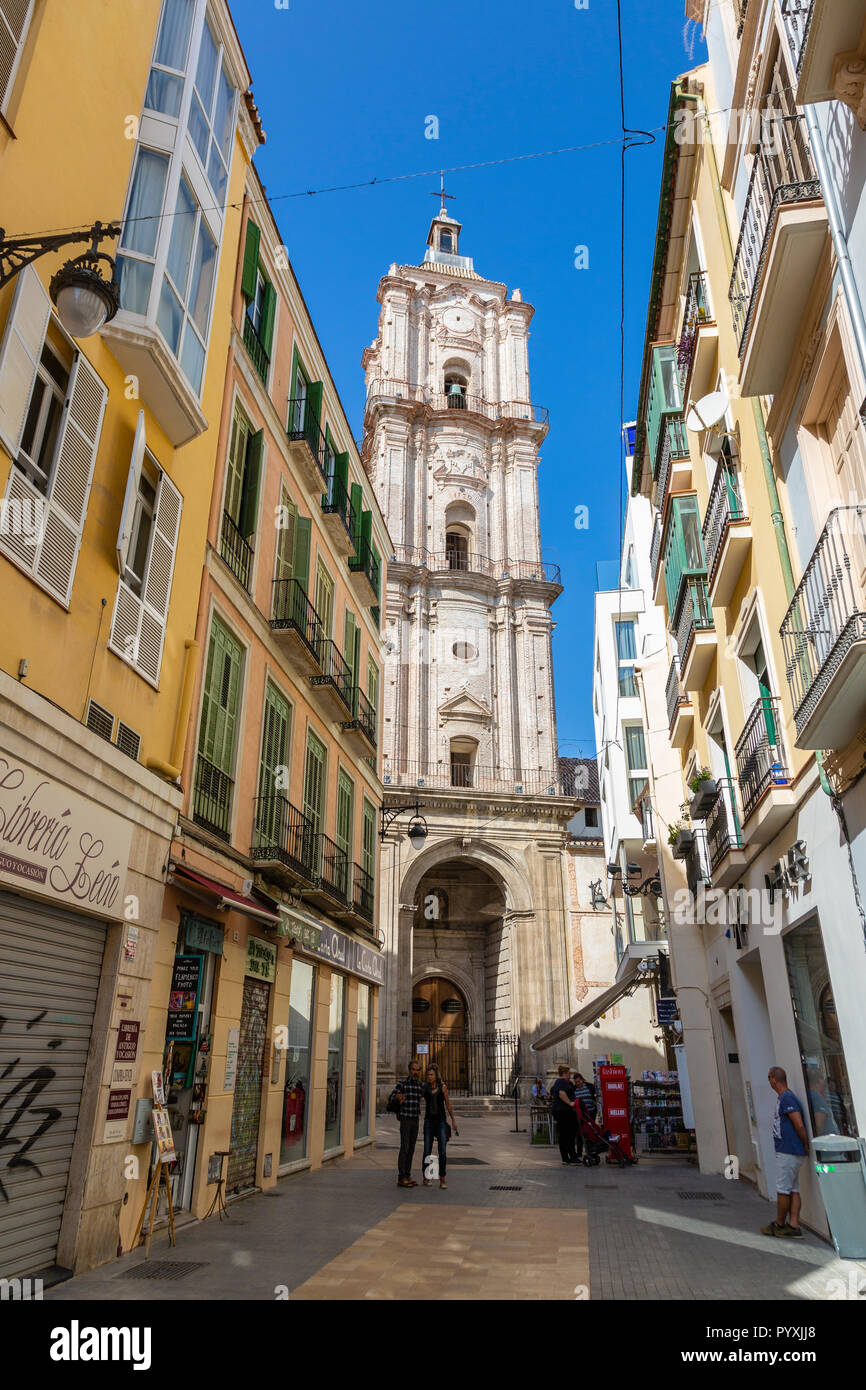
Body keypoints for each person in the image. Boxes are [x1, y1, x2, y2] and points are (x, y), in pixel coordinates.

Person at [762, 1066, 808, 1239]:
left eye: (768, 1077)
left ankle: (780, 1224)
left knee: (782, 1189)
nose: (769, 1081)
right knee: (793, 1188)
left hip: (789, 1150)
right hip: (791, 1150)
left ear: (774, 1079)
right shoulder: (784, 1098)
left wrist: (805, 1144)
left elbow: (799, 1124)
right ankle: (793, 1225)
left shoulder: (787, 1098)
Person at [422, 1063, 458, 1189]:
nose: (429, 1077)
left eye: (431, 1075)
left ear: (436, 1075)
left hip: (441, 1122)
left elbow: (448, 1104)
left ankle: (442, 1178)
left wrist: (453, 1120)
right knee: (427, 1150)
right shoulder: (425, 1087)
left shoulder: (443, 1087)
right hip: (429, 1122)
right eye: (428, 1075)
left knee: (442, 1151)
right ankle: (427, 1176)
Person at [391, 1058, 424, 1188]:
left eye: (417, 1070)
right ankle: (401, 1177)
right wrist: (397, 1097)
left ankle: (408, 1175)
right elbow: (392, 1096)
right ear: (409, 1071)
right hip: (405, 1119)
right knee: (404, 1147)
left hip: (415, 1119)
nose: (415, 1072)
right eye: (413, 1070)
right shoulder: (403, 1084)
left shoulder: (420, 1085)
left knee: (411, 1148)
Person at [550, 1063, 578, 1166]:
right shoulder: (562, 1081)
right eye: (569, 1073)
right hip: (564, 1111)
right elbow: (561, 1093)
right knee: (567, 1133)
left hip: (562, 1111)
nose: (570, 1075)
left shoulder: (560, 1082)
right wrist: (570, 1103)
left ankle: (568, 1157)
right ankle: (569, 1157)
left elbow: (552, 1091)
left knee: (566, 1134)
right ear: (565, 1073)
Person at [572, 1072, 597, 1161]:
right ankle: (579, 1152)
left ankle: (591, 1150)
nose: (578, 1084)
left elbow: (594, 1098)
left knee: (590, 1132)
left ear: (582, 1080)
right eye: (576, 1082)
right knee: (580, 1133)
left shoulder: (589, 1086)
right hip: (580, 1115)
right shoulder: (574, 1089)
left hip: (591, 1112)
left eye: (579, 1081)